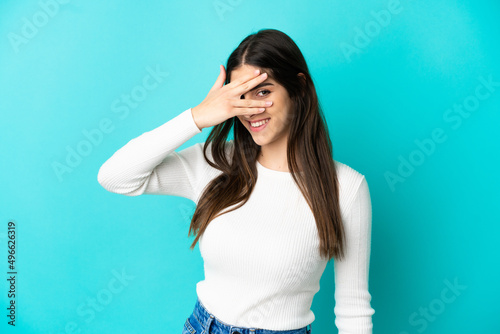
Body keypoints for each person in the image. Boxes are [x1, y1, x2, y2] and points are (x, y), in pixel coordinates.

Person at [97, 28, 375, 334]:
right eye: (240, 97)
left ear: (299, 87)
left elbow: (353, 308)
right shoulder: (215, 163)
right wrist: (197, 117)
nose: (251, 109)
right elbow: (115, 177)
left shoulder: (346, 188)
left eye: (264, 92)